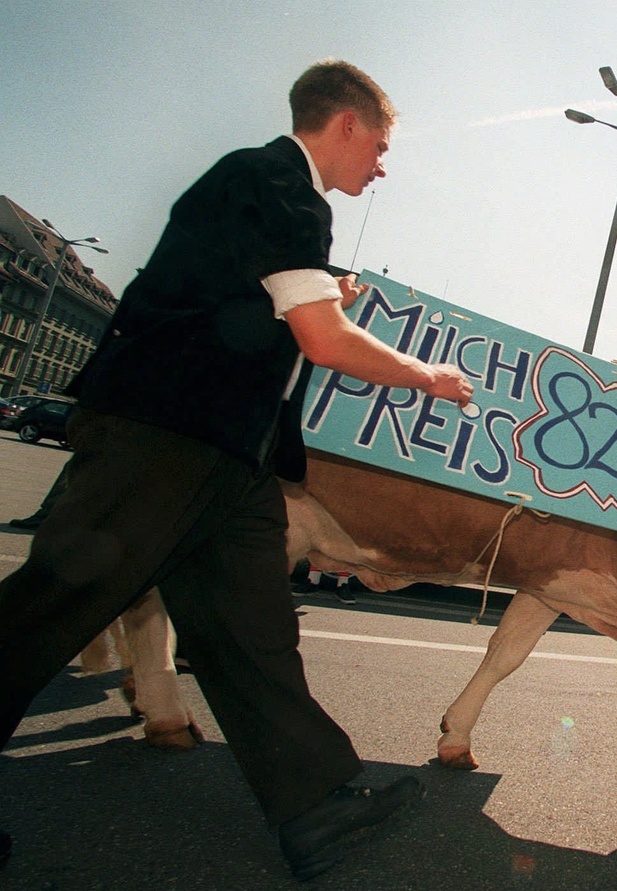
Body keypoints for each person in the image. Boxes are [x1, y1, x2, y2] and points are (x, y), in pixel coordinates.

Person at [0, 59, 473, 881]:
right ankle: (316, 803)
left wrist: (327, 292)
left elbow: (263, 309)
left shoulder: (266, 191)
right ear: (347, 126)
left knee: (252, 637)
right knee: (51, 607)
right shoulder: (280, 182)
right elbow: (321, 341)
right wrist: (430, 376)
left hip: (226, 455)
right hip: (167, 434)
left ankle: (316, 807)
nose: (383, 164)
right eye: (383, 144)